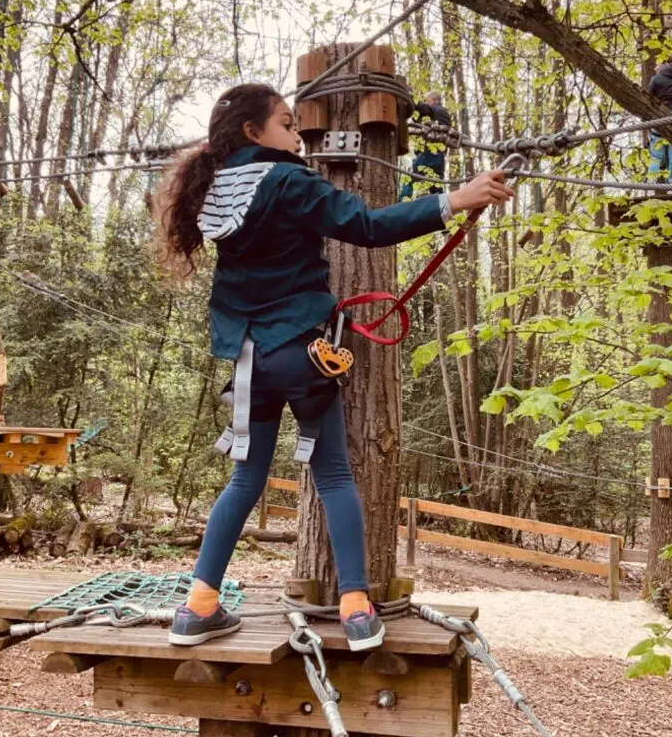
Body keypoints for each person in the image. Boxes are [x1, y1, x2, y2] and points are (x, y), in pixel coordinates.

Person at [154, 83, 513, 651]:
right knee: (335, 477)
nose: (297, 136)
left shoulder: (213, 189)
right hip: (301, 353)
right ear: (253, 131)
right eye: (286, 124)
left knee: (245, 480)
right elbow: (368, 227)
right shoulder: (288, 181)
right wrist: (457, 199)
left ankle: (197, 608)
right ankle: (356, 610)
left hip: (248, 359)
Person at [400, 91, 452, 199]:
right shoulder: (442, 114)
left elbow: (424, 108)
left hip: (429, 154)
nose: (425, 102)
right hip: (439, 157)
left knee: (409, 178)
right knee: (436, 187)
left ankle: (402, 202)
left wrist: (409, 97)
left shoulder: (436, 109)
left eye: (426, 100)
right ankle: (440, 208)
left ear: (434, 100)